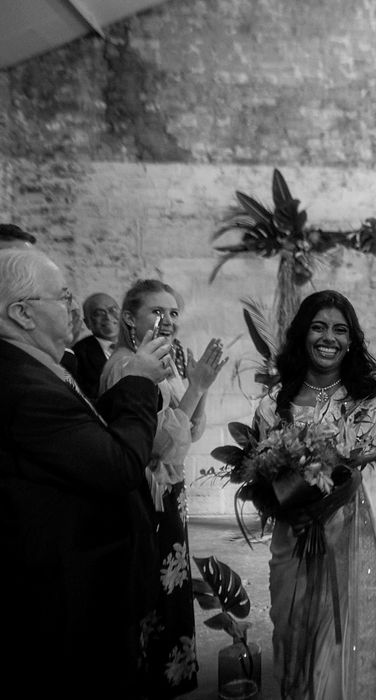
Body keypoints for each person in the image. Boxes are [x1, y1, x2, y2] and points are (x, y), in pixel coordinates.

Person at [0, 248, 172, 699]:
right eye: (63, 297)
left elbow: (91, 436)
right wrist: (137, 380)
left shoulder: (40, 366)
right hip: (68, 597)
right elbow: (117, 465)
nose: (74, 308)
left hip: (87, 586)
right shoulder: (20, 385)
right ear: (21, 313)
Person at [254, 289, 376, 699]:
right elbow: (262, 476)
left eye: (340, 330)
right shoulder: (274, 406)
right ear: (302, 335)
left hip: (359, 546)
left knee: (349, 644)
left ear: (351, 340)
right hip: (296, 544)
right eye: (319, 327)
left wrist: (350, 483)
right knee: (294, 636)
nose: (329, 338)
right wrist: (296, 499)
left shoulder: (372, 398)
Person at [100, 279, 228, 698]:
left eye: (173, 312)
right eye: (157, 311)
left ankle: (169, 678)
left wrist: (199, 387)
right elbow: (156, 445)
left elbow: (190, 429)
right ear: (129, 319)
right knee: (152, 591)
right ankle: (150, 682)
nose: (168, 320)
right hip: (147, 495)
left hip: (171, 492)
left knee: (171, 588)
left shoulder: (163, 363)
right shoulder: (126, 367)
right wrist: (196, 388)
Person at [73, 292, 121, 400]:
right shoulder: (79, 355)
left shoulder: (139, 342)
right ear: (88, 323)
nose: (108, 317)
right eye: (99, 313)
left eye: (112, 310)